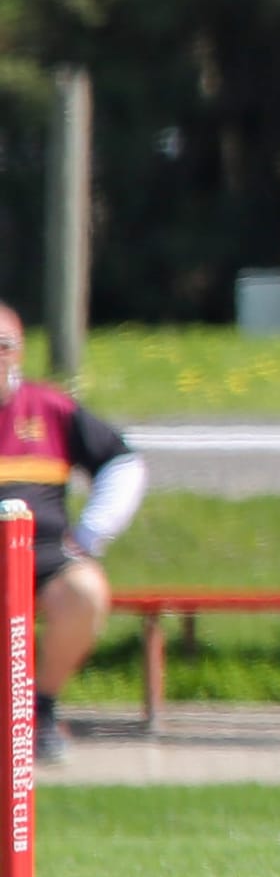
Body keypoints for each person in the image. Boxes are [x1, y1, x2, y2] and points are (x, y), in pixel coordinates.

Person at [0, 302, 148, 763]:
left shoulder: (50, 409)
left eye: (2, 346)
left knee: (85, 592)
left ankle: (39, 711)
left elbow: (123, 463)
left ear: (19, 352)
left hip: (41, 557)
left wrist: (90, 534)